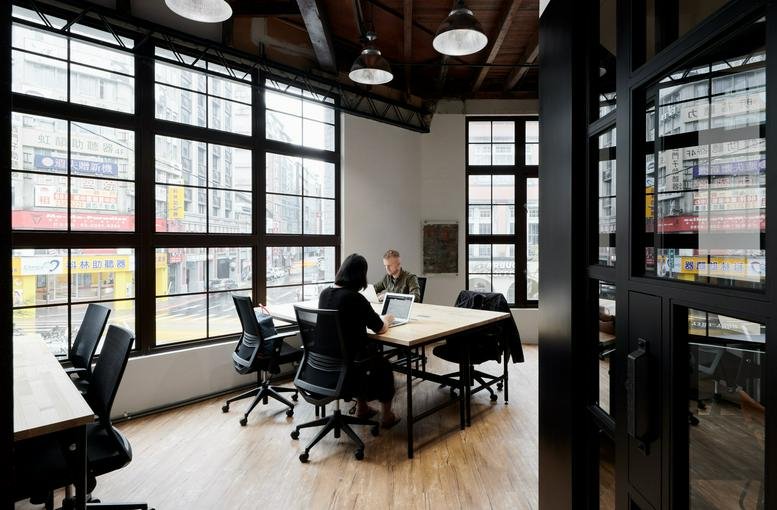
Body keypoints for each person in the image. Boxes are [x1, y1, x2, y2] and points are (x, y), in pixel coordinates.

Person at [317, 253, 401, 428]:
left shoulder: (325, 294)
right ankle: (387, 416)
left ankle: (362, 408)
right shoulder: (355, 298)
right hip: (350, 363)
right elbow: (380, 328)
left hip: (324, 363)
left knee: (362, 355)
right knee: (383, 365)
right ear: (360, 276)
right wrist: (387, 319)